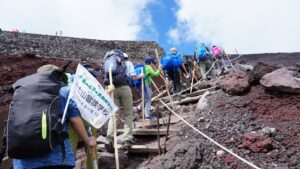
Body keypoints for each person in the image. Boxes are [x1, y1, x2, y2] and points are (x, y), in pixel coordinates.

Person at [13, 64, 96, 169]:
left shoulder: (21, 94)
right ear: (59, 77)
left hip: (23, 162)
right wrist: (87, 140)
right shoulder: (64, 92)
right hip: (57, 159)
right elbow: (74, 119)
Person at [105, 50, 144, 152]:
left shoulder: (109, 63)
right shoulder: (128, 63)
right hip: (124, 88)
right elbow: (133, 77)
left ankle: (109, 139)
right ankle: (127, 140)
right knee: (128, 114)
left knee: (115, 115)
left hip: (112, 89)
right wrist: (141, 76)